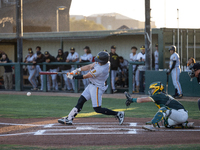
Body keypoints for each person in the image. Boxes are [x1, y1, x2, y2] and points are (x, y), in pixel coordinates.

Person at [58, 51, 124, 125]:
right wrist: (77, 70)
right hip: (91, 85)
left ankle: (118, 114)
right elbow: (89, 66)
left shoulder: (101, 69)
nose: (97, 62)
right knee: (81, 101)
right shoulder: (106, 63)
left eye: (99, 61)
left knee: (97, 109)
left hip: (97, 88)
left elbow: (86, 76)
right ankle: (69, 118)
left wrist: (73, 77)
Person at [124, 81, 194, 131]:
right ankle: (185, 125)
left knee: (164, 109)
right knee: (167, 124)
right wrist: (132, 99)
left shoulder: (159, 95)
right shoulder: (161, 95)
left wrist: (132, 99)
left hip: (181, 114)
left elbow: (142, 100)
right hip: (180, 115)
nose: (151, 91)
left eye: (153, 89)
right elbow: (143, 98)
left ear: (157, 89)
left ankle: (152, 125)